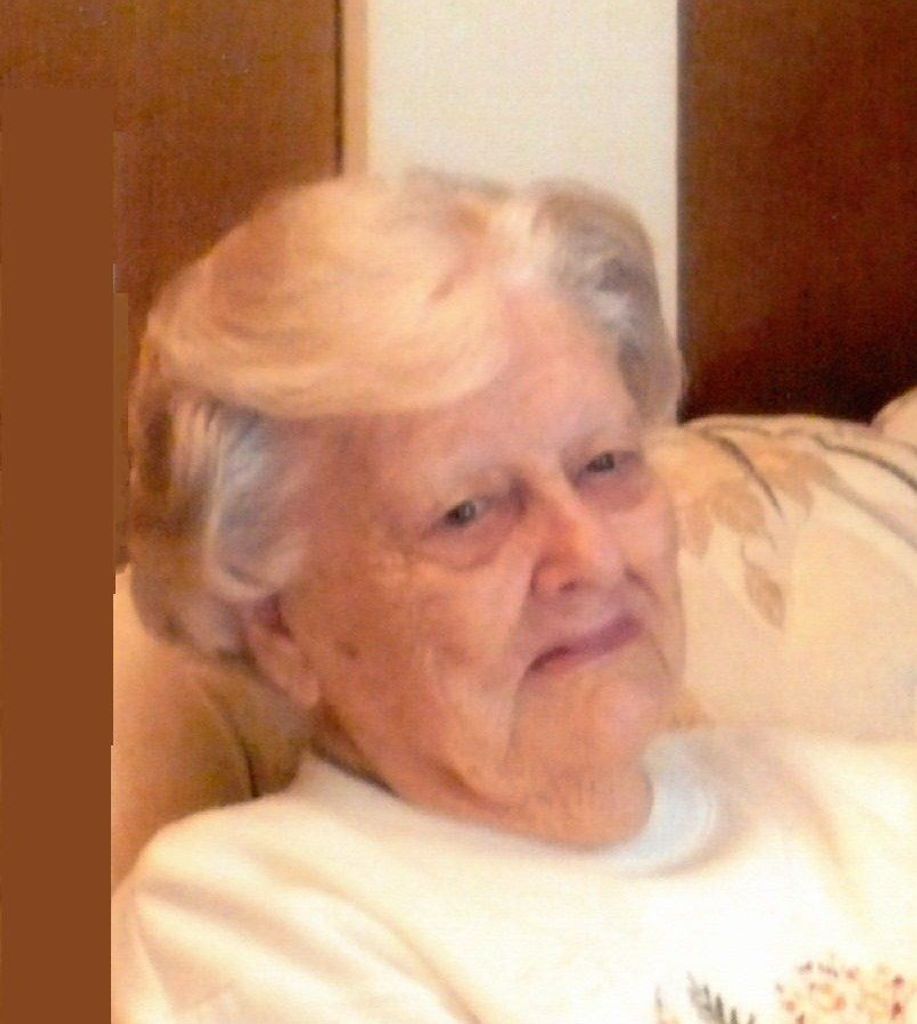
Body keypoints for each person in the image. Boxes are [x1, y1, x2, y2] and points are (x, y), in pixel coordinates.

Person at [111, 172, 917, 1024]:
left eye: (605, 464)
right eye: (467, 512)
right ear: (279, 626)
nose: (590, 556)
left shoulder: (871, 804)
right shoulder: (250, 925)